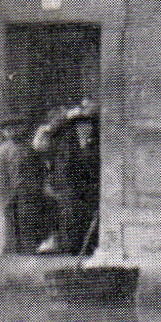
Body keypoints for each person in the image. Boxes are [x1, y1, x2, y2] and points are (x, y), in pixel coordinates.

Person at [45, 104, 100, 256]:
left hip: (89, 191)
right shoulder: (67, 147)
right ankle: (70, 249)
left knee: (88, 222)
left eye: (88, 124)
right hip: (70, 190)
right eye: (81, 124)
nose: (85, 127)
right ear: (75, 127)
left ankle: (87, 249)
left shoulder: (94, 145)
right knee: (71, 219)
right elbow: (63, 171)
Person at [0, 117, 52, 254]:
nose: (13, 131)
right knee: (13, 231)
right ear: (4, 132)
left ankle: (30, 252)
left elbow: (40, 170)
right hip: (13, 197)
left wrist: (40, 187)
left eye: (17, 127)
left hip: (31, 195)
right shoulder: (1, 152)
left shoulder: (29, 148)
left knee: (30, 229)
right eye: (9, 129)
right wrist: (7, 198)